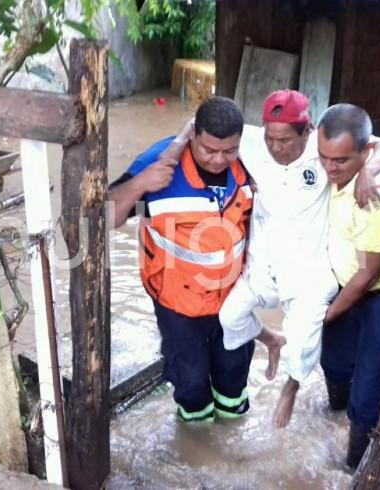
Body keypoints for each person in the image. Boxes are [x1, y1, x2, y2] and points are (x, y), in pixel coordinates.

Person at [217, 91, 380, 428]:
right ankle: (271, 340)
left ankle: (292, 386)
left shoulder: (327, 152)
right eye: (271, 138)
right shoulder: (255, 143)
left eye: (285, 140)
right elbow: (199, 128)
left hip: (309, 270)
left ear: (307, 132)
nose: (276, 148)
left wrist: (370, 171)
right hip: (264, 263)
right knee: (229, 318)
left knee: (302, 343)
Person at [108, 97, 255, 423]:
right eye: (209, 150)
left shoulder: (251, 161)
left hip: (234, 303)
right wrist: (141, 184)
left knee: (234, 383)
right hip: (178, 306)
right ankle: (196, 442)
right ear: (193, 136)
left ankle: (230, 441)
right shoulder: (160, 164)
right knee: (190, 386)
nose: (219, 159)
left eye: (229, 151)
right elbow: (105, 216)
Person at [317, 103, 380, 468]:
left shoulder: (375, 201)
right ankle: (332, 416)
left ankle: (352, 468)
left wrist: (325, 316)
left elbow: (367, 277)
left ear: (364, 152)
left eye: (340, 161)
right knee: (334, 363)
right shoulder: (336, 166)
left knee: (369, 395)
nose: (329, 168)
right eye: (323, 157)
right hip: (349, 286)